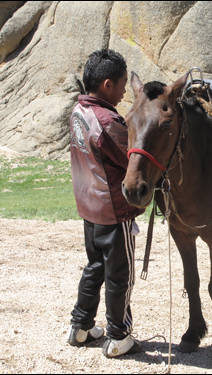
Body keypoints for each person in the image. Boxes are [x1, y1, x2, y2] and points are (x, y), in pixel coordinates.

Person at [67, 49, 144, 358]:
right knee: (120, 275)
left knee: (95, 267)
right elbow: (132, 160)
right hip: (113, 210)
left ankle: (81, 326)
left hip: (89, 207)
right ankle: (118, 336)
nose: (125, 90)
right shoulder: (107, 120)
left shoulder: (78, 111)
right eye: (123, 83)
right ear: (108, 85)